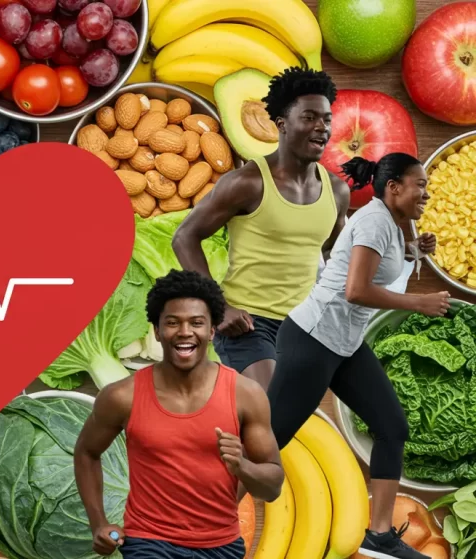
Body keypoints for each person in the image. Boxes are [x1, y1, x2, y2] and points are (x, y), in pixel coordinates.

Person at [267, 153, 447, 559]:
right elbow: (356, 290)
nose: (426, 192)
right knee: (268, 442)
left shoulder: (389, 222)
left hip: (343, 343)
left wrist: (414, 250)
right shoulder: (372, 220)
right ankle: (198, 524)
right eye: (419, 184)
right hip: (313, 339)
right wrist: (418, 303)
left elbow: (379, 264)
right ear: (394, 187)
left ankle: (379, 535)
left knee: (391, 428)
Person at [73, 269, 284, 559]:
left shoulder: (246, 395)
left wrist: (241, 466)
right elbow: (86, 452)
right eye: (172, 322)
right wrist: (98, 522)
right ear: (157, 331)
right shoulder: (122, 396)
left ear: (212, 330)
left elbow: (272, 487)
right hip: (148, 541)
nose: (185, 332)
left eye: (196, 323)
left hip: (221, 545)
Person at [172, 66, 351, 390]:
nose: (321, 128)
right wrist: (219, 307)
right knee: (271, 406)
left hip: (301, 325)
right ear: (281, 124)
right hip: (247, 324)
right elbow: (185, 237)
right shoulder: (248, 182)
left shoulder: (338, 191)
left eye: (326, 119)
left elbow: (332, 254)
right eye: (309, 118)